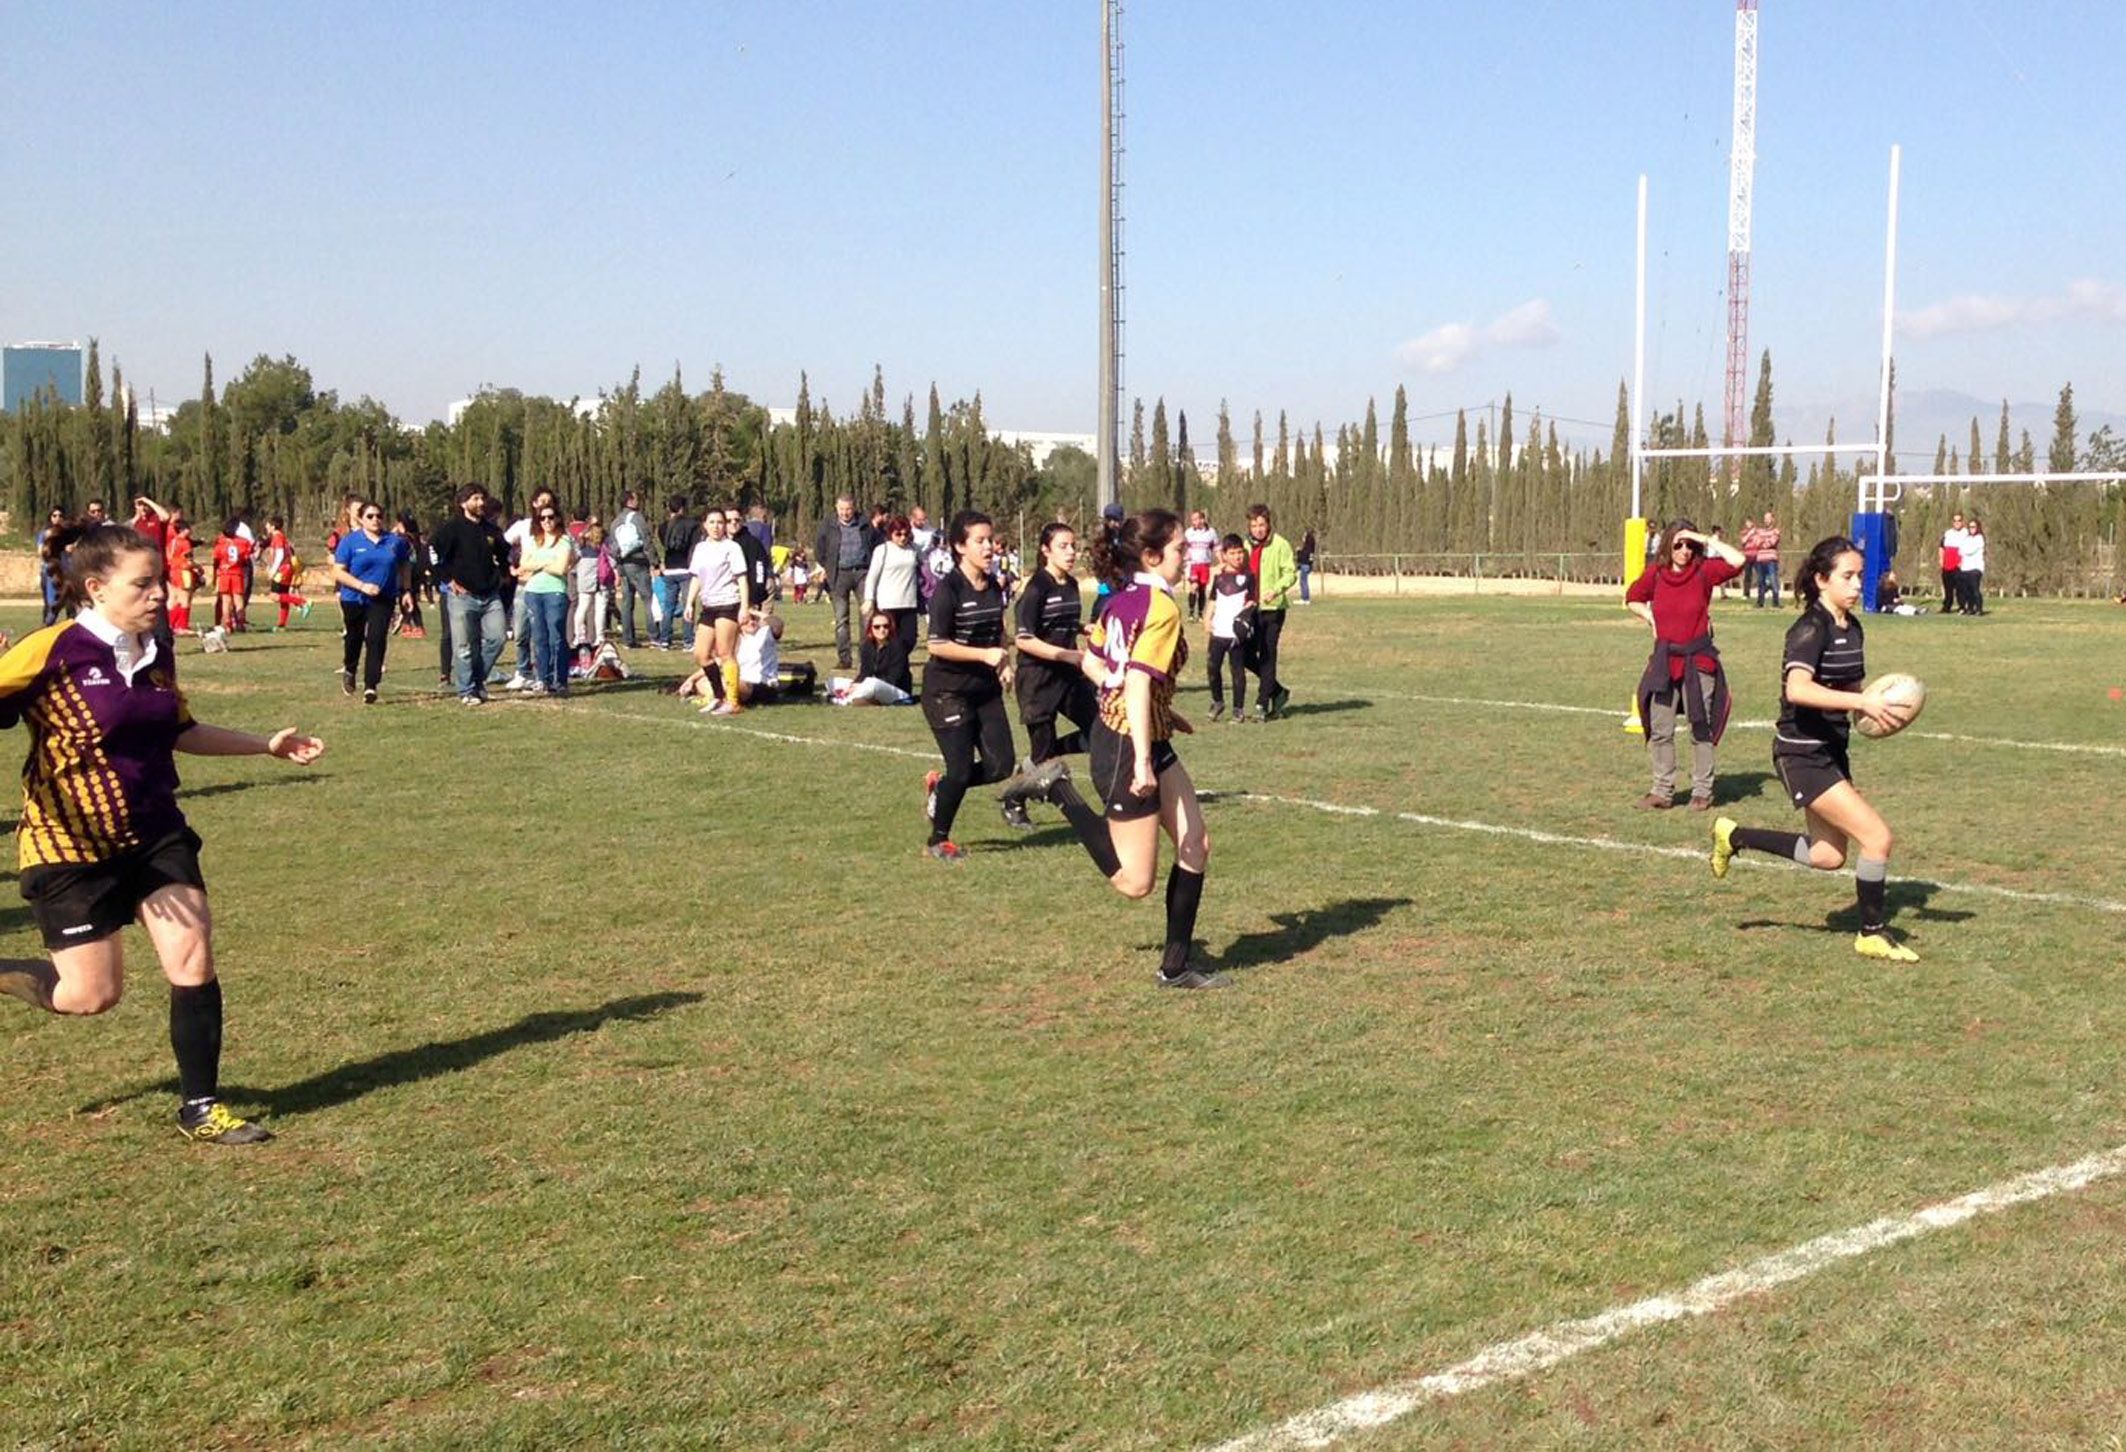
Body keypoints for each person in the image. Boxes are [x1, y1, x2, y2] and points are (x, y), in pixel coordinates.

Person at [0, 523, 326, 1144]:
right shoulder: (53, 648)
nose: (159, 595)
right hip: (70, 847)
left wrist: (267, 746)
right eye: (143, 584)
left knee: (193, 957)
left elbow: (181, 729)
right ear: (95, 588)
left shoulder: (156, 650)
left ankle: (200, 1108)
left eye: (161, 582)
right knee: (90, 996)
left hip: (154, 832)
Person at [1016, 508, 1221, 988]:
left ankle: (1174, 969)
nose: (1187, 556)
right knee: (1135, 882)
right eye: (1178, 549)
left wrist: (1163, 712)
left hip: (1143, 731)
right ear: (1151, 556)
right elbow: (1131, 682)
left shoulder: (1124, 598)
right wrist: (1144, 760)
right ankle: (1058, 789)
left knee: (1195, 843)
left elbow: (1100, 665)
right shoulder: (1162, 608)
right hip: (1129, 745)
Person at [1711, 535, 1920, 962]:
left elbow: (1852, 689)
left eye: (1861, 575)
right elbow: (1798, 688)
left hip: (1833, 751)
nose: (1858, 584)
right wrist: (1862, 702)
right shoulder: (1810, 628)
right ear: (1822, 579)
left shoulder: (1853, 627)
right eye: (1848, 576)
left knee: (1826, 856)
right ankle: (1872, 932)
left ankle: (1734, 836)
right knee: (1877, 838)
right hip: (1801, 753)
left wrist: (1877, 711)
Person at [917, 511, 1016, 862]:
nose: (989, 547)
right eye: (980, 541)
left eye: (991, 540)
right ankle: (938, 839)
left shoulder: (993, 586)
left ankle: (940, 788)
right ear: (961, 546)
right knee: (960, 768)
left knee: (1001, 764)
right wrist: (985, 655)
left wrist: (1004, 661)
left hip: (984, 689)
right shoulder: (948, 590)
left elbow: (998, 632)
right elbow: (936, 645)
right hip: (947, 691)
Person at [1625, 519, 1744, 811]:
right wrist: (1651, 618)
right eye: (1678, 543)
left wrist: (1701, 537)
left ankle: (1702, 791)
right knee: (1660, 727)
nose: (1684, 550)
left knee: (1699, 726)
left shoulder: (1703, 572)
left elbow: (1738, 560)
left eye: (1689, 545)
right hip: (1665, 661)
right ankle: (1662, 791)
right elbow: (1632, 597)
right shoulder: (1656, 574)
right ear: (1667, 544)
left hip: (1698, 661)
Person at [1001, 521, 1098, 829]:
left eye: (1074, 546)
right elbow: (1025, 638)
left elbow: (1063, 621)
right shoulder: (1036, 588)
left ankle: (1036, 761)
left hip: (1068, 678)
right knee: (1044, 762)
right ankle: (1013, 800)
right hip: (1037, 681)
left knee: (1101, 730)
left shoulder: (1070, 585)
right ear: (1045, 551)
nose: (1071, 552)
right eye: (1063, 546)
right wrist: (1068, 654)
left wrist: (1084, 628)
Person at [430, 484, 511, 706]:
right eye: (475, 498)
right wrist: (446, 579)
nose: (480, 503)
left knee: (498, 638)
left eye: (482, 498)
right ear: (463, 503)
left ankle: (477, 680)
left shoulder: (491, 530)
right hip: (462, 597)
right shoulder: (452, 528)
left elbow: (505, 554)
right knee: (464, 647)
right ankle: (467, 690)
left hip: (490, 595)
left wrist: (504, 573)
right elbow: (432, 551)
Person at [331, 500, 411, 705]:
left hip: (383, 598)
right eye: (370, 516)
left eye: (379, 516)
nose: (375, 520)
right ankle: (350, 668)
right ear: (361, 519)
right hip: (354, 598)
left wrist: (406, 591)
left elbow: (404, 566)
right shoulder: (350, 542)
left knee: (376, 638)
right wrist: (361, 586)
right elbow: (338, 572)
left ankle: (370, 685)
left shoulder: (395, 542)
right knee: (354, 638)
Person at [685, 506, 748, 716]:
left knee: (725, 652)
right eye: (712, 522)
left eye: (720, 522)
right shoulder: (701, 548)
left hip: (728, 604)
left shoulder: (732, 548)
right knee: (701, 655)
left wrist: (744, 607)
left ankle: (732, 701)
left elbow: (742, 578)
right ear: (704, 525)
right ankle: (718, 696)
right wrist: (689, 603)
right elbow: (696, 577)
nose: (716, 526)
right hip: (708, 606)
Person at [1244, 503, 1299, 719]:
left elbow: (1290, 574)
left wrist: (1275, 590)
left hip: (1273, 609)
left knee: (1268, 654)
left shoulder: (1280, 544)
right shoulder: (1245, 546)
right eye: (1254, 525)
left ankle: (1262, 702)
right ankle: (1277, 691)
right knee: (1246, 655)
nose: (1258, 529)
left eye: (1262, 524)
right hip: (1251, 608)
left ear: (1268, 525)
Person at [515, 503, 575, 698]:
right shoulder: (533, 540)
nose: (547, 521)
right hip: (533, 591)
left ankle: (560, 680)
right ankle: (542, 678)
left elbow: (561, 568)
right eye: (542, 518)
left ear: (557, 518)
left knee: (556, 636)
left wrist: (538, 564)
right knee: (539, 638)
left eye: (550, 517)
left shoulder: (564, 540)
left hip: (555, 591)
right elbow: (524, 564)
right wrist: (548, 561)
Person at [814, 494, 879, 669]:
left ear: (854, 508)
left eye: (848, 509)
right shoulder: (828, 526)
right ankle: (844, 658)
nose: (845, 513)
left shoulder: (865, 524)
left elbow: (876, 546)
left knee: (867, 616)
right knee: (841, 619)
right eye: (842, 509)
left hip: (862, 573)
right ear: (837, 508)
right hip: (838, 575)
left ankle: (866, 658)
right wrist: (827, 567)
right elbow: (819, 549)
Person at [1204, 534, 1255, 723]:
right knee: (1212, 667)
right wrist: (1207, 618)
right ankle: (1217, 701)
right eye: (1232, 553)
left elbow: (1252, 601)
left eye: (1240, 552)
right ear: (1224, 555)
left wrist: (1246, 619)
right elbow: (1213, 599)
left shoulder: (1249, 577)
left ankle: (1238, 709)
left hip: (1236, 633)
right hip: (1218, 630)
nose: (1237, 557)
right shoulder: (1218, 577)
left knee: (1237, 671)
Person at [861, 515, 923, 654]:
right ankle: (888, 664)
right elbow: (872, 576)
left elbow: (926, 569)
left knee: (909, 639)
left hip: (909, 603)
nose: (902, 538)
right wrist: (869, 599)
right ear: (891, 534)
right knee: (888, 638)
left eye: (906, 534)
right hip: (887, 604)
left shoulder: (914, 549)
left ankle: (898, 660)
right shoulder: (882, 550)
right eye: (898, 534)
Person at [834, 611, 914, 705]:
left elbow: (894, 678)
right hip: (874, 685)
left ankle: (844, 700)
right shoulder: (867, 646)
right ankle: (859, 697)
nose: (882, 630)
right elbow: (865, 672)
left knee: (872, 683)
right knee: (834, 682)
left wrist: (862, 685)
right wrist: (854, 685)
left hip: (897, 690)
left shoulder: (898, 646)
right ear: (870, 628)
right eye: (877, 627)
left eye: (886, 626)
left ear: (891, 627)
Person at [654, 495, 702, 651]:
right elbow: (695, 546)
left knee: (668, 605)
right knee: (688, 604)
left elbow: (663, 543)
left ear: (669, 508)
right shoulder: (693, 525)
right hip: (686, 568)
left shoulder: (663, 527)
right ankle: (688, 640)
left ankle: (665, 640)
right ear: (683, 507)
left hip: (669, 569)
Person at [607, 490, 655, 648]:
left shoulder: (615, 522)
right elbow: (647, 540)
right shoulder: (637, 518)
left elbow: (612, 545)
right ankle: (654, 634)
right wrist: (654, 561)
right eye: (636, 498)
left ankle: (628, 638)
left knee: (627, 602)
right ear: (630, 501)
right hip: (638, 562)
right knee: (648, 599)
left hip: (623, 564)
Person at [572, 524, 610, 664]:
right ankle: (599, 637)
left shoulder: (582, 549)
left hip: (585, 579)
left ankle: (579, 635)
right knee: (600, 609)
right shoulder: (603, 548)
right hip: (602, 580)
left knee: (582, 607)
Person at [211, 517, 252, 633]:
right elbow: (245, 558)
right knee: (239, 600)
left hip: (224, 573)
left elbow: (216, 559)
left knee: (226, 601)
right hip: (237, 573)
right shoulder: (243, 542)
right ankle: (240, 623)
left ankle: (227, 624)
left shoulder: (220, 541)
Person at [163, 512, 199, 635]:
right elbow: (189, 561)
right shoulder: (185, 542)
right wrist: (198, 568)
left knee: (173, 599)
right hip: (183, 572)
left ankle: (170, 624)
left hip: (172, 570)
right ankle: (182, 626)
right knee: (185, 599)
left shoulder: (171, 542)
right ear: (184, 529)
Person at [1180, 509, 1218, 621]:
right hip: (1193, 565)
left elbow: (1216, 548)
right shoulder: (1188, 533)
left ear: (1202, 519)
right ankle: (1191, 613)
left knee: (1202, 589)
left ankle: (1200, 614)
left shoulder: (1211, 532)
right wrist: (1183, 559)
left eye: (1196, 519)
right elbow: (1183, 547)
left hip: (1205, 565)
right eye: (1192, 520)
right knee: (1194, 587)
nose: (1194, 522)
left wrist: (1222, 561)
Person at [1741, 510, 1782, 608]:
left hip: (1771, 559)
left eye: (1768, 518)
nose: (1766, 520)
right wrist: (1763, 542)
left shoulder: (1776, 531)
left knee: (1773, 581)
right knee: (1760, 581)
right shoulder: (1759, 531)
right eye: (1765, 518)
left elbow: (1772, 542)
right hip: (1760, 559)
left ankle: (1776, 602)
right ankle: (1760, 602)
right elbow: (1755, 542)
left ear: (1773, 519)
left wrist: (1762, 543)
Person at [34, 506, 65, 627]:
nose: (58, 518)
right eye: (55, 515)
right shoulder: (45, 534)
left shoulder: (67, 533)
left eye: (60, 515)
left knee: (70, 604)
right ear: (50, 517)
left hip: (66, 571)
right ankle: (45, 628)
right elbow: (41, 552)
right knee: (51, 604)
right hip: (50, 572)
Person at [1938, 512, 1967, 617]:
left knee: (1960, 588)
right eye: (1955, 521)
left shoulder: (1966, 533)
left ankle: (1962, 606)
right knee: (1948, 588)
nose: (1957, 523)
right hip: (1947, 564)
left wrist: (1963, 562)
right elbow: (1941, 547)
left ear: (1962, 522)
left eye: (1959, 520)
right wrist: (1941, 559)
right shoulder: (1948, 533)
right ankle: (1947, 607)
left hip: (1959, 564)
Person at [1959, 516, 1987, 615]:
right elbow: (1961, 550)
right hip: (1965, 567)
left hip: (1976, 568)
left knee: (1975, 589)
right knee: (1967, 590)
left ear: (1977, 527)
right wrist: (1964, 550)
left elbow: (1969, 550)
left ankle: (1979, 608)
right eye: (1970, 527)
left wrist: (1965, 550)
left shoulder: (1980, 538)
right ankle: (1970, 608)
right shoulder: (1966, 538)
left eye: (1974, 527)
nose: (1972, 529)